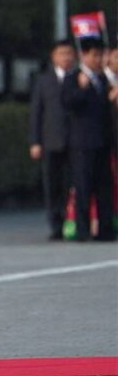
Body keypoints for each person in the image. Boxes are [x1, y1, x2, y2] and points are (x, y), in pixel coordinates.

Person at [61, 38, 115, 242]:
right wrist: (82, 89)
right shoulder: (73, 77)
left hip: (102, 142)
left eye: (101, 55)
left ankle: (105, 229)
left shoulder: (103, 79)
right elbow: (67, 103)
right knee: (83, 187)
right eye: (95, 55)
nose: (98, 59)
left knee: (104, 188)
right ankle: (82, 230)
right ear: (84, 55)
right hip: (82, 144)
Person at [30, 39, 75, 241]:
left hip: (74, 142)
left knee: (71, 185)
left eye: (68, 53)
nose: (65, 57)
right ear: (53, 56)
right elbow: (36, 113)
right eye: (61, 53)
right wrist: (35, 141)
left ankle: (71, 221)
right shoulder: (44, 81)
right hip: (50, 141)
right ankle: (55, 224)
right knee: (52, 185)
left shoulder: (78, 78)